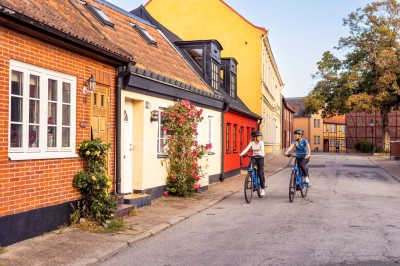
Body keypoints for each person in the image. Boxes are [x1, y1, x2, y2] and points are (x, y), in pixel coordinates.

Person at [239, 130, 266, 196]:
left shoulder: (261, 143)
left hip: (260, 158)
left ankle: (262, 189)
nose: (260, 138)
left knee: (260, 173)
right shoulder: (252, 143)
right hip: (254, 157)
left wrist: (262, 154)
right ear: (254, 137)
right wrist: (241, 154)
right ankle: (250, 178)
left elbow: (262, 150)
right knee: (249, 169)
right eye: (258, 137)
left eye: (260, 137)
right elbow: (247, 148)